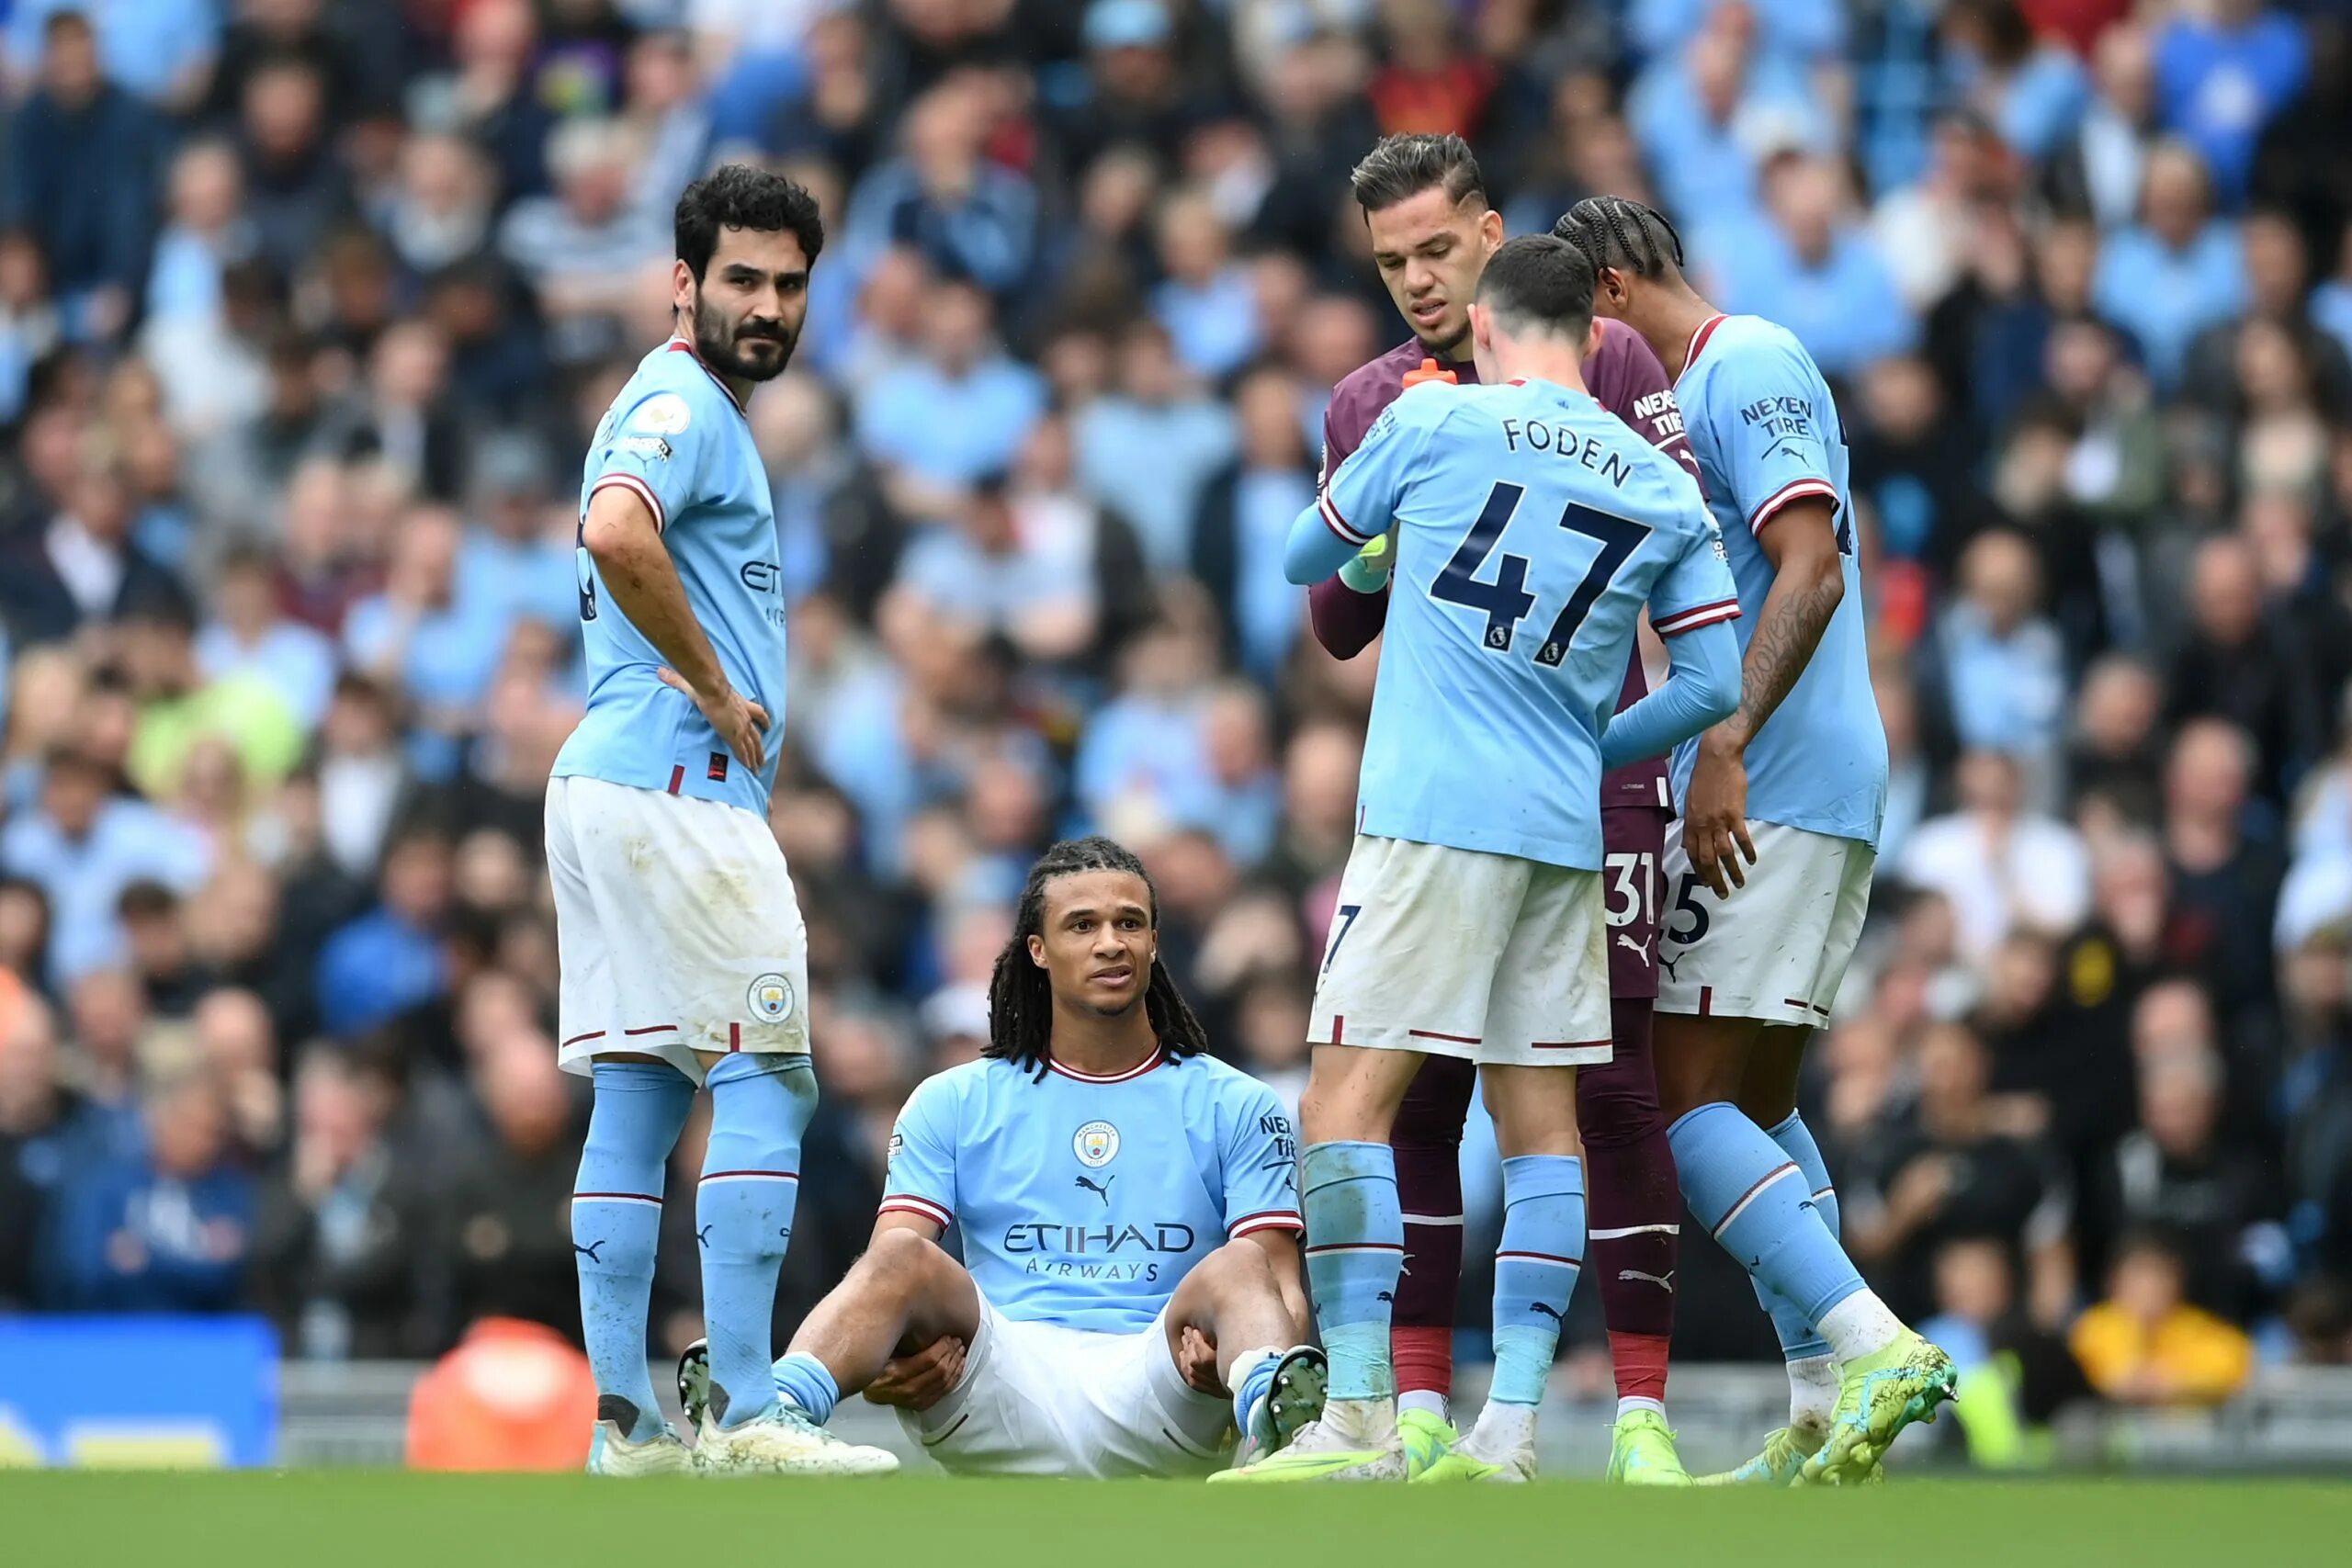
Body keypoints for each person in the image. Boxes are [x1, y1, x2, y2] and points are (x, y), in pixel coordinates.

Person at [1223, 233, 1741, 1483]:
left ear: (1495, 328)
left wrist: (1377, 547)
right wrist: (1598, 739)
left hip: (1431, 819)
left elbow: (1306, 562)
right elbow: (1714, 679)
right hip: (1565, 835)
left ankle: (1355, 1417)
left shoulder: (1434, 421)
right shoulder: (1657, 481)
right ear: (1591, 339)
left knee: (1344, 1100)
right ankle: (1509, 1428)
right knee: (1541, 1118)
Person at [1555, 194, 1951, 1486]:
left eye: (1576, 319)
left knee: (1674, 1103)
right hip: (1782, 777)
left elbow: (1814, 562)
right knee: (1762, 1104)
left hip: (1771, 780)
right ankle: (1822, 1403)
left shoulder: (1750, 360)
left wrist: (1722, 740)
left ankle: (1873, 1340)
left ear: (1612, 290)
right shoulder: (1694, 396)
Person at [674, 837, 1321, 1478]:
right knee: (902, 1254)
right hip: (993, 1377)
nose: (1110, 942)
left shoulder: (1240, 1102)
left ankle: (1278, 1413)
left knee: (1244, 1261)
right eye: (1082, 924)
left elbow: (1281, 1287)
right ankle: (762, 1410)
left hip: (1168, 1380)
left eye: (1130, 922)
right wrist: (892, 1366)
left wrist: (1242, 1352)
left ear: (1154, 941)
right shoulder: (952, 1100)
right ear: (1036, 950)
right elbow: (889, 1274)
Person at [550, 164, 842, 1477]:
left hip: (603, 784)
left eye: (788, 283)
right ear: (682, 281)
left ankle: (624, 1422)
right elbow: (617, 530)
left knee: (641, 1088)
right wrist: (723, 687)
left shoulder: (687, 403)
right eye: (742, 278)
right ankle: (750, 1410)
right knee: (766, 1071)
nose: (768, 304)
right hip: (679, 786)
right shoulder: (681, 400)